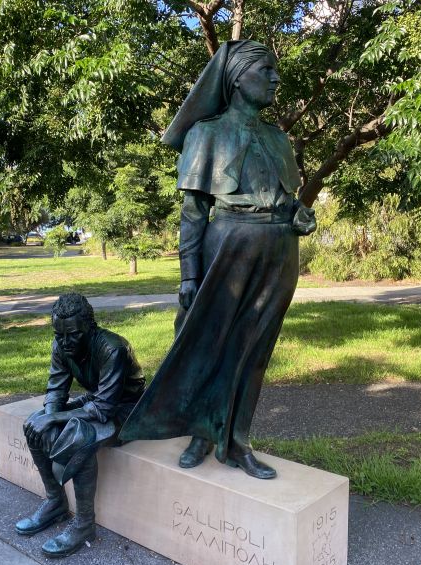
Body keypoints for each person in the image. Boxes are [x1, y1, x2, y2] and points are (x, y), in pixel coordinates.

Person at [119, 40, 316, 480]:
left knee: (254, 352)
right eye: (265, 70)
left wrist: (299, 215)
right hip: (227, 245)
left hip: (280, 251)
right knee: (207, 343)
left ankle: (237, 441)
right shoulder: (205, 134)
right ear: (237, 78)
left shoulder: (278, 137)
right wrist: (189, 276)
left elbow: (289, 200)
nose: (275, 79)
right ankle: (199, 432)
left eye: (274, 71)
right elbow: (193, 215)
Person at [17, 292, 145, 557]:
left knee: (81, 438)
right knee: (33, 423)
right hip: (96, 400)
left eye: (73, 334)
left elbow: (104, 409)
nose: (65, 341)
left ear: (89, 326)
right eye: (59, 334)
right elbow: (55, 391)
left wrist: (54, 418)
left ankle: (85, 524)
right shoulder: (61, 345)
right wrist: (48, 419)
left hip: (128, 410)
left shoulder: (113, 348)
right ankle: (55, 502)